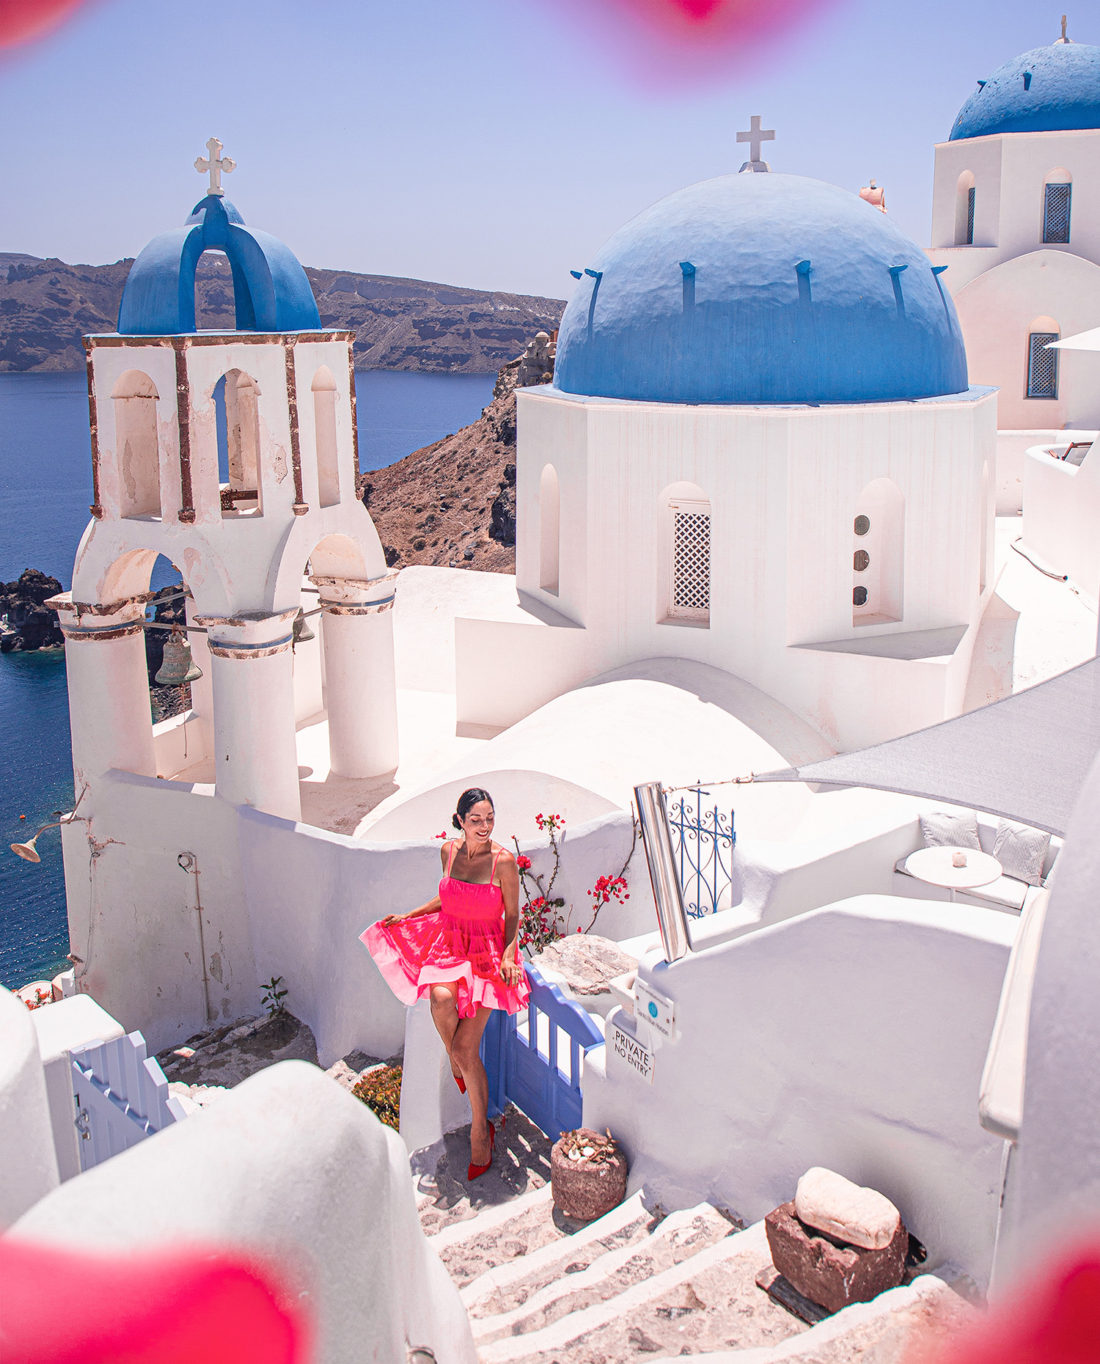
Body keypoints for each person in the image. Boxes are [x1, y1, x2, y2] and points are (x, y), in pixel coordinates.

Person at [359, 787, 529, 1180]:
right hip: (451, 942)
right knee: (439, 998)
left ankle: (479, 1131)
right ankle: (456, 1060)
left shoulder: (503, 862)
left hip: (486, 953)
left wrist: (507, 954)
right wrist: (408, 915)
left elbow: (513, 914)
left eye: (489, 818)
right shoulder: (447, 853)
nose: (484, 826)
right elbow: (448, 900)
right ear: (460, 820)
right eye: (476, 820)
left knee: (468, 1047)